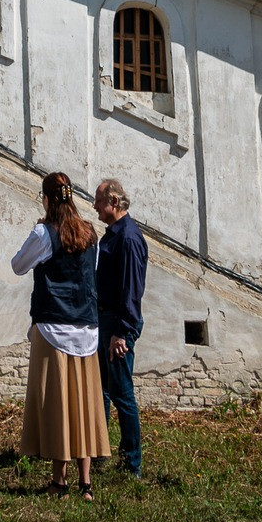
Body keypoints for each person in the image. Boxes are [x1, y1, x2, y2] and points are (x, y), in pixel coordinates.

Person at [11, 172, 110, 500]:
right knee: (83, 403)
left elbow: (18, 265)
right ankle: (86, 483)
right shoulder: (89, 232)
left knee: (57, 403)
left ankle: (60, 481)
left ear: (48, 199)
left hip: (54, 326)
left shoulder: (44, 233)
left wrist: (38, 234)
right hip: (86, 327)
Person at [93, 178, 148, 477]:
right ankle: (99, 450)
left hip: (117, 323)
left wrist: (122, 332)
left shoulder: (127, 238)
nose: (95, 207)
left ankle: (131, 464)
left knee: (122, 393)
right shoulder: (114, 235)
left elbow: (131, 290)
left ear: (114, 202)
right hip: (107, 320)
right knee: (102, 389)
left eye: (99, 202)